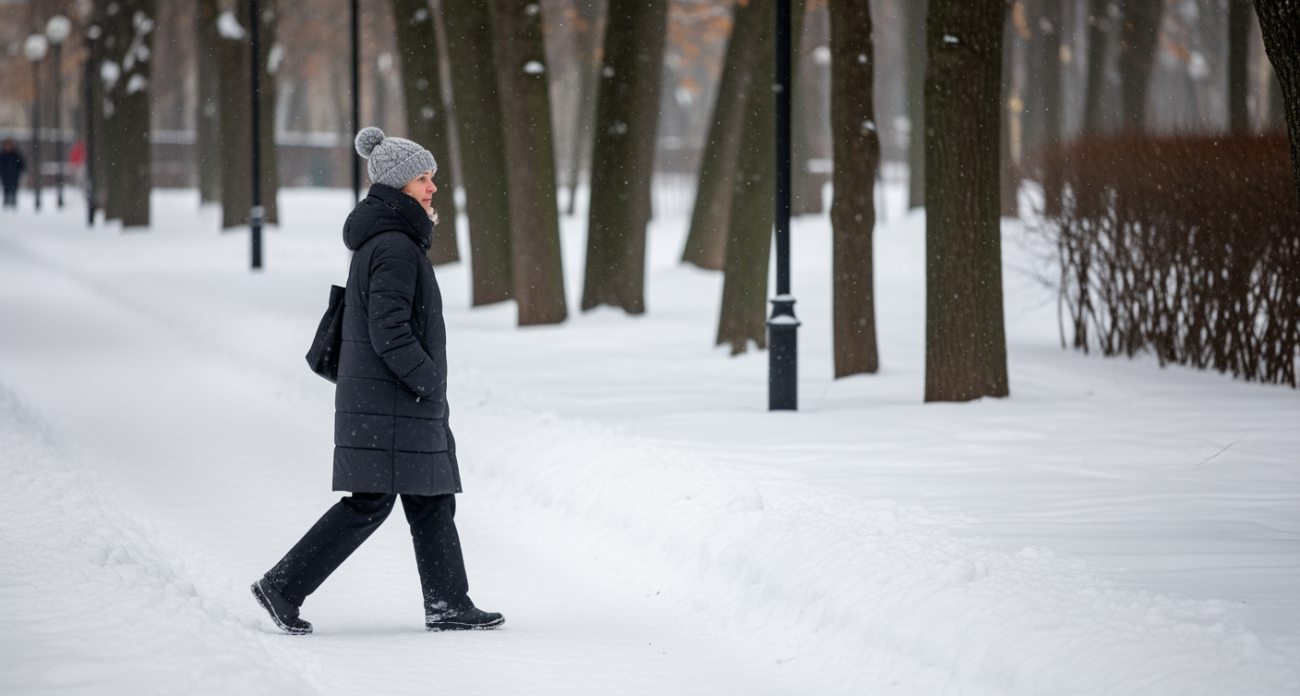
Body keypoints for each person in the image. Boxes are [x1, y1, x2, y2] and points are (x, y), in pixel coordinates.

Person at [251, 127, 503, 635]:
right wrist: (429, 380)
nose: (433, 188)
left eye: (432, 177)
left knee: (430, 499)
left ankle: (449, 604)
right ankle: (282, 586)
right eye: (422, 179)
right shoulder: (394, 245)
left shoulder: (391, 239)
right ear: (397, 186)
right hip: (395, 400)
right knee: (372, 503)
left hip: (388, 400)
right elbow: (389, 331)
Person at [0, 140, 24, 209]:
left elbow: (21, 165)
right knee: (6, 190)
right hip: (5, 176)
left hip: (14, 176)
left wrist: (17, 171)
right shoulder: (2, 155)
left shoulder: (16, 155)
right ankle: (6, 204)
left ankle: (14, 204)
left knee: (14, 190)